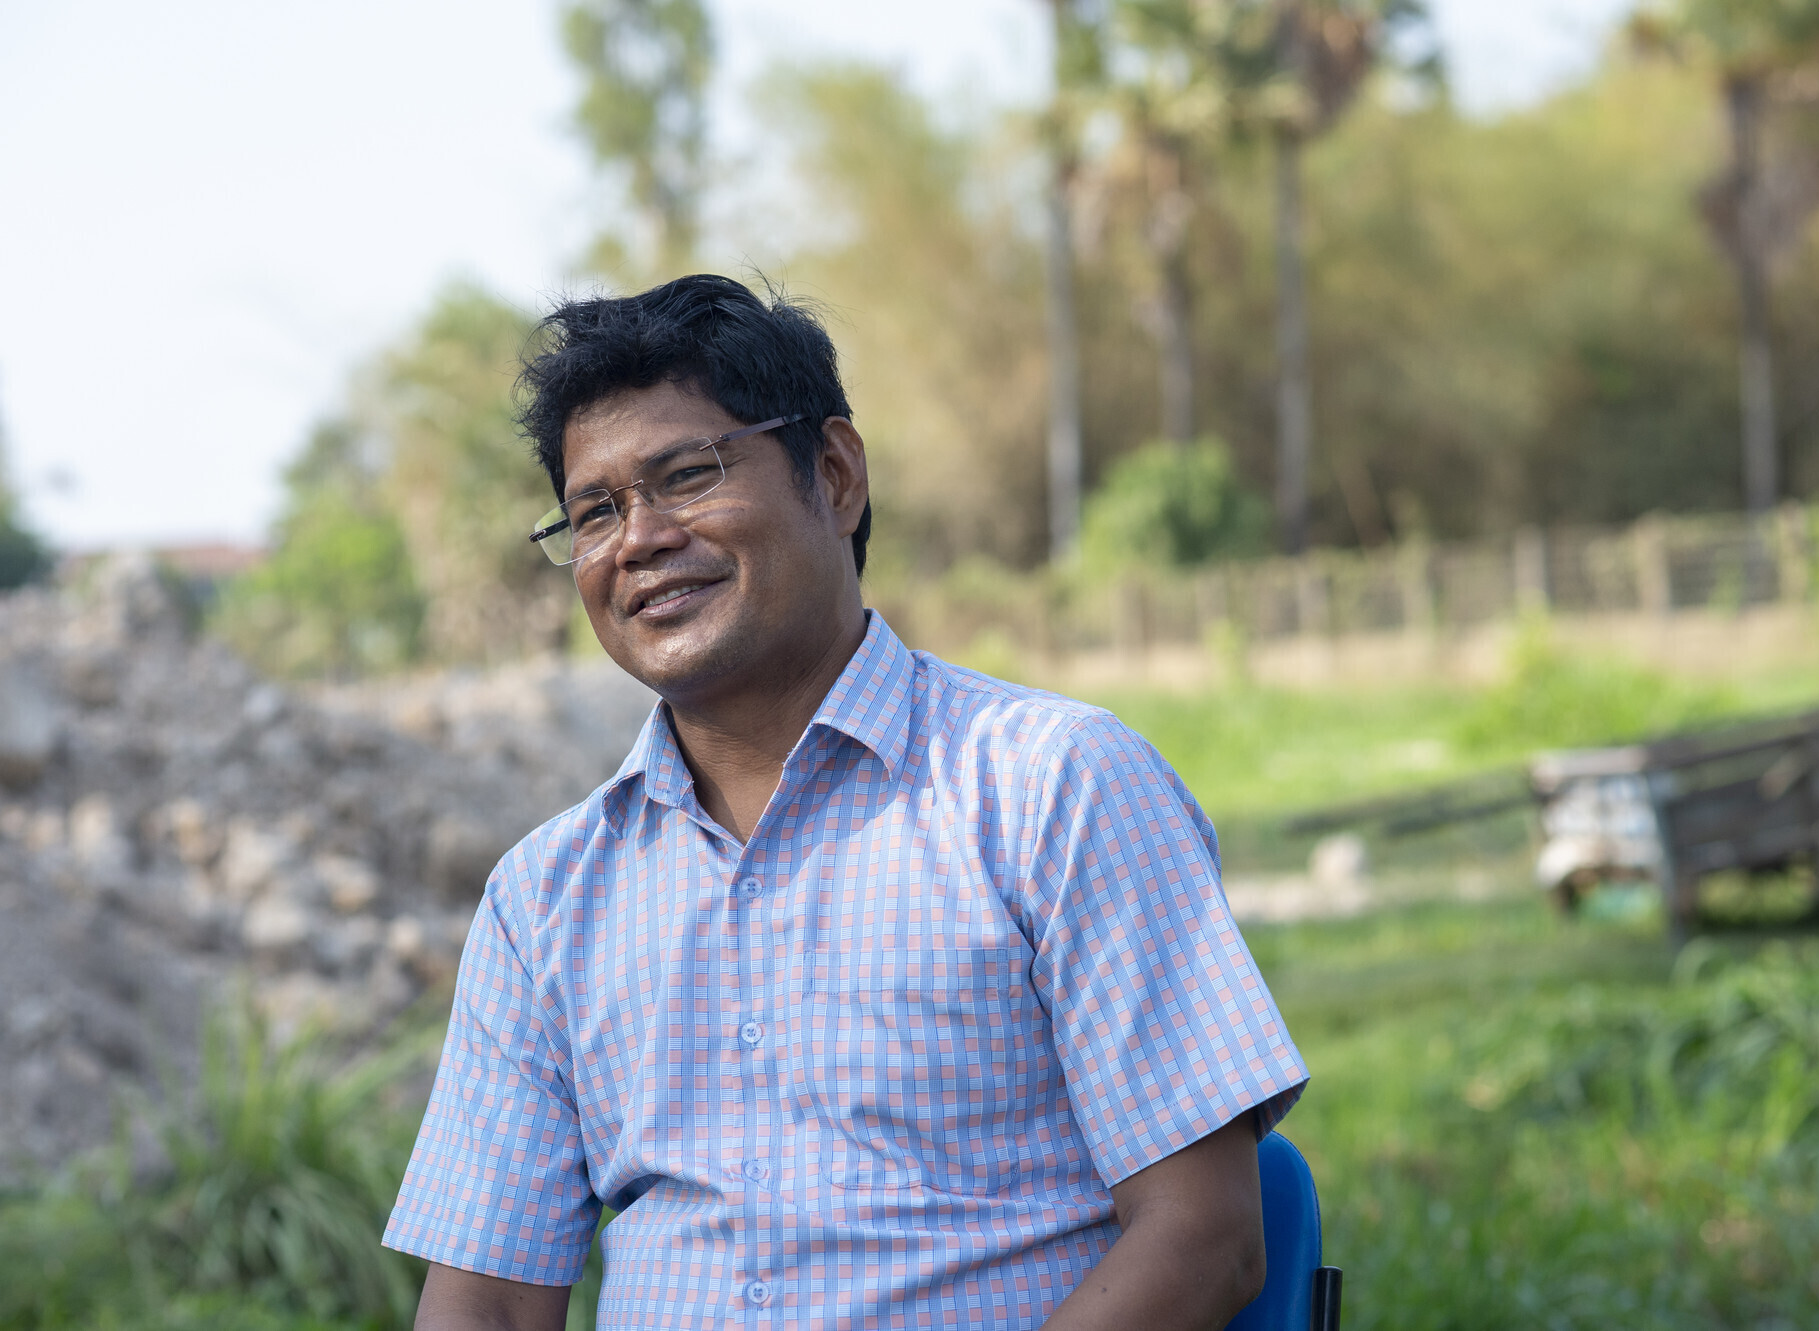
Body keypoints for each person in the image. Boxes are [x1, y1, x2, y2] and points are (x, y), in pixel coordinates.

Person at [383, 274, 1309, 1329]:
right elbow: (489, 1300)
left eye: (686, 474)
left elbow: (1205, 1232)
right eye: (594, 511)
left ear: (833, 473)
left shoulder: (1053, 783)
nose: (637, 538)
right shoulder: (544, 896)